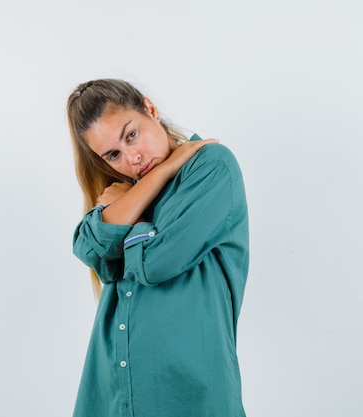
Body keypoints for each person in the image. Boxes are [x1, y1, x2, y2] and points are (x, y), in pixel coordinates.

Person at [66, 79, 249, 417]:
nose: (132, 158)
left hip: (187, 392)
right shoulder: (128, 189)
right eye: (113, 155)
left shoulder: (211, 167)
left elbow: (155, 261)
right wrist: (160, 173)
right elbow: (88, 246)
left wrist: (127, 217)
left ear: (150, 109)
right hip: (112, 391)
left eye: (131, 134)